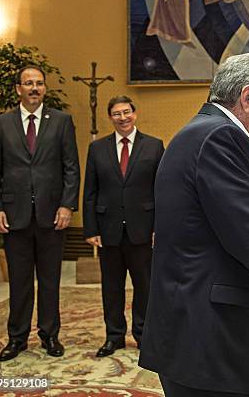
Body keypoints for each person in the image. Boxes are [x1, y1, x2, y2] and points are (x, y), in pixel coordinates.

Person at [138, 52, 249, 397]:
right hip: (212, 341)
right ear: (248, 96)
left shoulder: (198, 132)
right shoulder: (220, 137)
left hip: (195, 334)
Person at [0, 65, 80, 361]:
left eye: (39, 83)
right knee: (20, 280)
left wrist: (67, 204)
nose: (34, 88)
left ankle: (50, 335)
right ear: (18, 89)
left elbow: (71, 168)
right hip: (14, 217)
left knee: (50, 280)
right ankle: (17, 338)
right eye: (28, 83)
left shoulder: (61, 121)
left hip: (53, 216)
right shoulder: (1, 124)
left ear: (44, 89)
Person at [83, 96, 164, 357]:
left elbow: (161, 190)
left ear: (135, 113)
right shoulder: (97, 149)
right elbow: (90, 192)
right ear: (111, 118)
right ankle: (114, 336)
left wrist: (159, 227)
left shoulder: (153, 146)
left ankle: (143, 335)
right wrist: (91, 229)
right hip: (108, 231)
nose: (122, 117)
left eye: (126, 112)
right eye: (116, 114)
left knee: (145, 286)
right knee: (111, 287)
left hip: (143, 229)